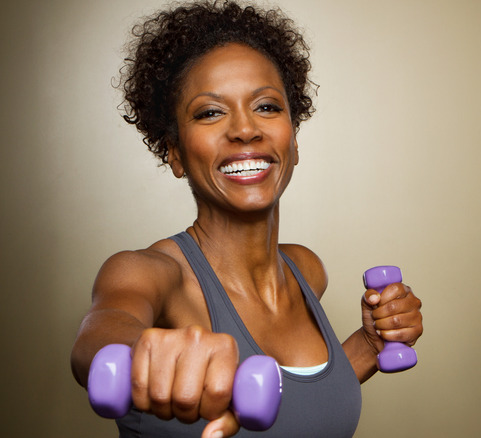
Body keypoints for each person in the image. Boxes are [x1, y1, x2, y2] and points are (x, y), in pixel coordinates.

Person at [70, 2, 423, 437]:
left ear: (293, 142)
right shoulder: (149, 273)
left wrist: (369, 345)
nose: (245, 130)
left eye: (268, 107)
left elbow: (294, 403)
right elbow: (97, 338)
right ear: (175, 153)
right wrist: (142, 353)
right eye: (210, 112)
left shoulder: (306, 271)